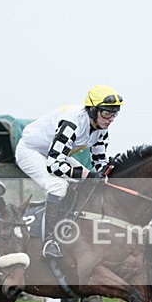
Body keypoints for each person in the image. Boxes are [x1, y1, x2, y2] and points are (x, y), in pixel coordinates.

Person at [15, 84, 122, 258]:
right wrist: (89, 175)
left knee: (87, 179)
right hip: (31, 151)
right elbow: (55, 166)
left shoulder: (101, 129)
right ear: (92, 110)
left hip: (53, 154)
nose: (110, 119)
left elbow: (99, 163)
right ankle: (50, 241)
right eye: (106, 113)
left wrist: (110, 173)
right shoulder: (71, 124)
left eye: (114, 114)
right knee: (58, 185)